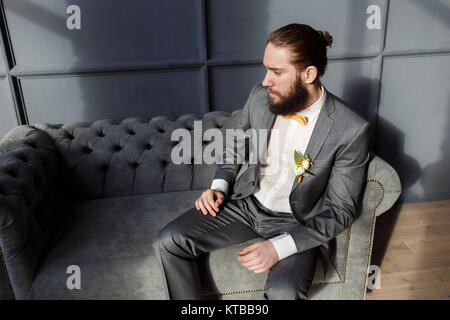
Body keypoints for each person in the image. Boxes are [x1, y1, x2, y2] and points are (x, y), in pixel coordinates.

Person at [153, 23, 370, 300]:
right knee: (168, 241)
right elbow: (236, 146)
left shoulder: (351, 129)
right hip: (246, 203)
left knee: (284, 291)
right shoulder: (260, 96)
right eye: (266, 69)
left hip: (297, 222)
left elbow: (340, 210)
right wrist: (220, 186)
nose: (266, 80)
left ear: (309, 74)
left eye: (276, 72)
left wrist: (277, 248)